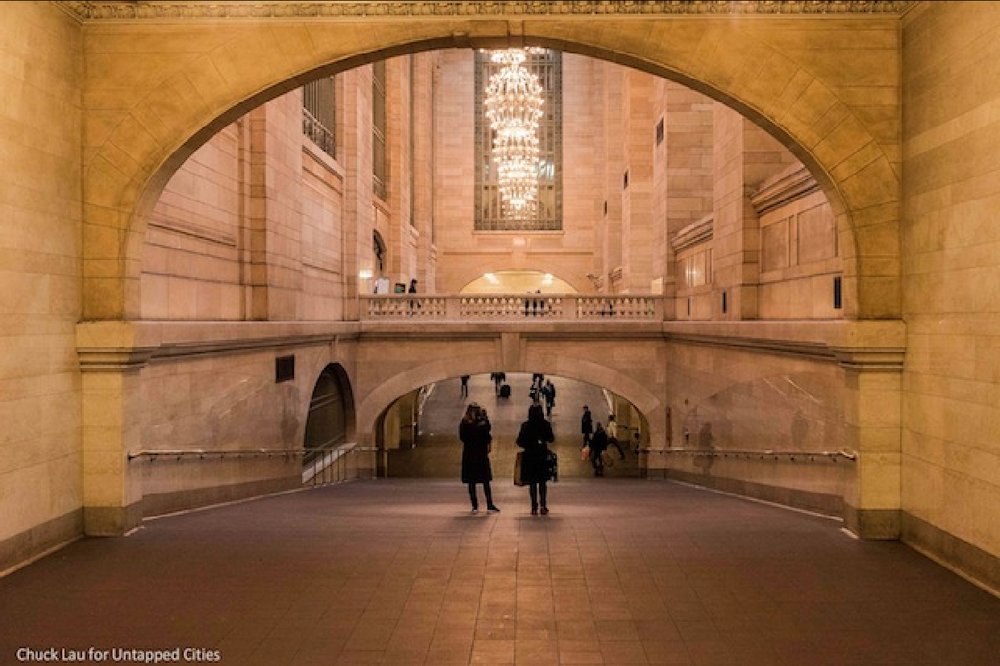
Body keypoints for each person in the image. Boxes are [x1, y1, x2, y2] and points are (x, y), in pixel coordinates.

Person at [516, 403, 554, 515]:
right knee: (542, 482)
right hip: (542, 456)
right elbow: (551, 438)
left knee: (532, 483)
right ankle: (543, 505)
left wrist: (528, 444)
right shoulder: (545, 424)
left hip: (530, 456)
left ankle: (533, 507)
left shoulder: (526, 425)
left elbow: (519, 441)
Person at [460, 403, 498, 513]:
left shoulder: (466, 423)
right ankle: (482, 505)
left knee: (478, 481)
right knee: (481, 481)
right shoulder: (471, 423)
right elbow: (485, 434)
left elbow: (464, 437)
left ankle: (479, 506)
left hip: (472, 454)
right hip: (477, 454)